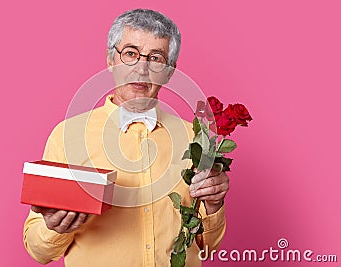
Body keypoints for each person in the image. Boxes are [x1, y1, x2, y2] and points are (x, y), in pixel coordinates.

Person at [23, 9, 229, 267]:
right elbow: (38, 251)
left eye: (156, 58)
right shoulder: (67, 136)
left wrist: (213, 204)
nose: (141, 69)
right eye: (130, 53)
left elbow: (207, 248)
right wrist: (55, 229)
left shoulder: (194, 139)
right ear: (111, 60)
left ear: (169, 72)